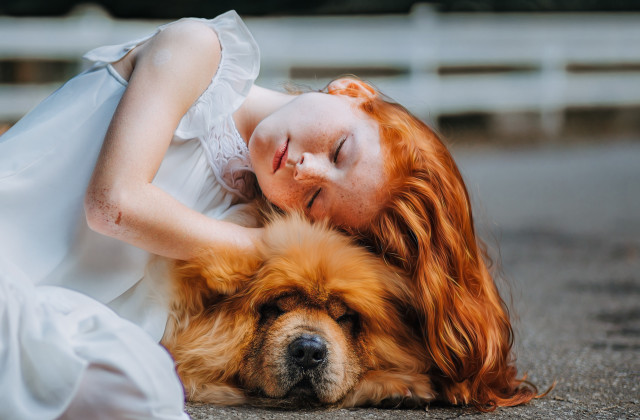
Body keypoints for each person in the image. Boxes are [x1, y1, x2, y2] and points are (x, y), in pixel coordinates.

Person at [0, 9, 536, 420]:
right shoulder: (197, 52)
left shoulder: (251, 205)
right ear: (352, 91)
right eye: (341, 149)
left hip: (51, 295)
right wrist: (281, 256)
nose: (306, 169)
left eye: (316, 202)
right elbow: (114, 205)